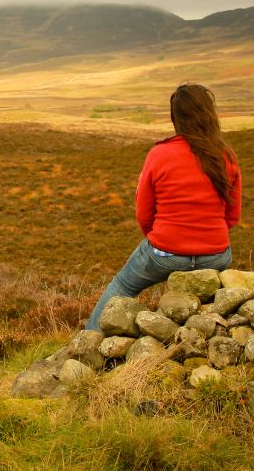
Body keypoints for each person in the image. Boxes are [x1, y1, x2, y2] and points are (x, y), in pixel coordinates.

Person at [85, 83, 241, 331]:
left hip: (164, 253)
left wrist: (163, 240)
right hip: (216, 255)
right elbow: (232, 217)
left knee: (123, 286)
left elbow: (144, 212)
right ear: (210, 114)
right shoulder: (226, 156)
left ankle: (88, 343)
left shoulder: (160, 154)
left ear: (175, 117)